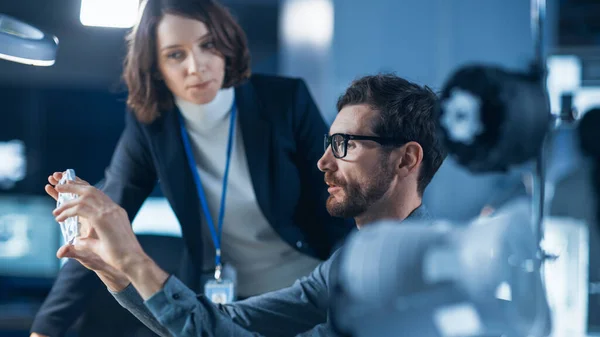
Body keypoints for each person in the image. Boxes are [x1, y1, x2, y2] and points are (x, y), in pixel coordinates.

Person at [30, 0, 353, 336]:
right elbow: (104, 219)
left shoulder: (285, 101)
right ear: (156, 67)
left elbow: (338, 203)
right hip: (224, 303)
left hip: (310, 293)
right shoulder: (152, 126)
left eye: (208, 45)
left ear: (227, 47)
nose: (196, 66)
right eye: (175, 54)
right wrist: (46, 328)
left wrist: (352, 288)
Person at [46, 73, 447, 336]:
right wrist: (113, 270)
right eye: (329, 144)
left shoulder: (412, 271)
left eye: (345, 145)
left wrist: (133, 258)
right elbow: (221, 322)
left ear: (407, 159)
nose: (323, 162)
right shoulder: (350, 263)